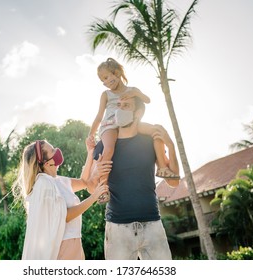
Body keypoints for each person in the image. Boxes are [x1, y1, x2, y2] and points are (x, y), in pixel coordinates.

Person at [92, 96, 180, 260]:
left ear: (137, 113)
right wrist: (96, 174)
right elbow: (91, 188)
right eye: (118, 105)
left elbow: (173, 181)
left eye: (126, 106)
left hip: (152, 224)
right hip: (117, 228)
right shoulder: (104, 145)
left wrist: (171, 146)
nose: (119, 109)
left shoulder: (151, 142)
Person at [88, 58, 179, 204]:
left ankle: (162, 166)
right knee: (109, 148)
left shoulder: (132, 91)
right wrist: (91, 134)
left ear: (116, 73)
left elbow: (147, 100)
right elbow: (99, 116)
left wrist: (136, 94)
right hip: (110, 125)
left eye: (106, 77)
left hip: (128, 122)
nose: (105, 82)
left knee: (156, 130)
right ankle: (103, 186)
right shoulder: (106, 94)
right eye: (102, 80)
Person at [13, 139, 110, 260]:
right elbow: (65, 216)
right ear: (47, 163)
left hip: (76, 244)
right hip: (64, 247)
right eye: (52, 150)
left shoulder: (58, 180)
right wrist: (94, 197)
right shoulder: (43, 184)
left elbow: (84, 182)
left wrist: (90, 153)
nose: (57, 151)